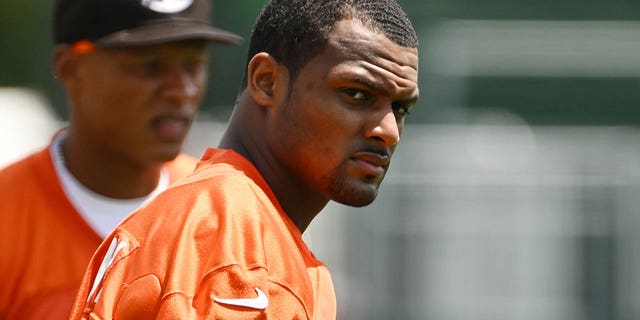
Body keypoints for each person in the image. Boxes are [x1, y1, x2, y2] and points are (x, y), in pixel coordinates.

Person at [70, 0, 419, 318]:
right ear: (267, 82)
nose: (388, 130)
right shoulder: (229, 236)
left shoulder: (217, 218)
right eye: (357, 94)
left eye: (400, 108)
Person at [0, 0, 241, 319]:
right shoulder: (8, 217)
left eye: (193, 64)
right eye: (150, 66)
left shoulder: (223, 213)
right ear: (71, 69)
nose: (181, 90)